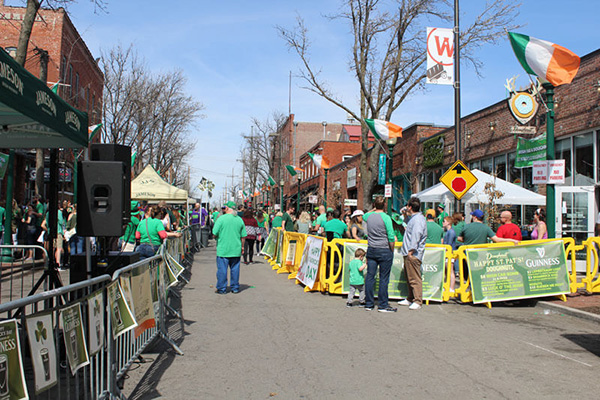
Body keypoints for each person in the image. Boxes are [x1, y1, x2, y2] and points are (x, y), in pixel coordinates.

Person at [363, 196, 397, 313]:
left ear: (374, 205)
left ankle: (369, 303)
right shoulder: (386, 218)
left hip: (372, 249)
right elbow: (391, 236)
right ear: (385, 206)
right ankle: (383, 304)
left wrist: (374, 209)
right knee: (383, 278)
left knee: (370, 277)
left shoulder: (369, 217)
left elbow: (364, 215)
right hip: (384, 249)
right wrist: (391, 249)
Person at [398, 197, 428, 310]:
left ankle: (417, 300)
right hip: (409, 253)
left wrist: (411, 251)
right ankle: (410, 298)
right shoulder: (414, 218)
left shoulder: (418, 220)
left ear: (410, 207)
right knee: (409, 277)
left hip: (413, 253)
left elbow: (417, 234)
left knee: (414, 278)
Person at [212, 201, 247, 294]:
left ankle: (222, 288)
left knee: (222, 270)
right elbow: (243, 236)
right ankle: (235, 287)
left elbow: (214, 233)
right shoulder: (239, 219)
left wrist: (217, 237)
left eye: (224, 207)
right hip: (236, 249)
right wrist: (242, 247)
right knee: (235, 269)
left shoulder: (221, 219)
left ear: (227, 208)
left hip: (223, 249)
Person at [442, 216, 458, 292]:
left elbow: (449, 243)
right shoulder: (448, 232)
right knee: (446, 270)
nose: (443, 222)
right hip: (447, 253)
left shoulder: (451, 232)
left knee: (450, 270)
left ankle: (451, 287)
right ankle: (447, 285)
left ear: (448, 222)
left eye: (444, 221)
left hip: (450, 254)